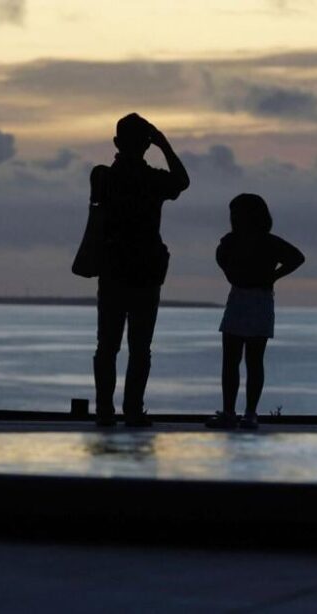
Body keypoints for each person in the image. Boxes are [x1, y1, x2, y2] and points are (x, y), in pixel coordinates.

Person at [92, 113, 189, 427]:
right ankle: (132, 409)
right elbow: (182, 181)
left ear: (117, 143)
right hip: (145, 270)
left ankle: (105, 409)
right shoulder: (152, 180)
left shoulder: (104, 177)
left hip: (114, 269)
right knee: (139, 347)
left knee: (108, 345)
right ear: (146, 145)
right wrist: (163, 144)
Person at [206, 193, 305, 430]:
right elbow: (225, 264)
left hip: (255, 298)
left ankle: (246, 413)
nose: (234, 217)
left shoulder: (263, 241)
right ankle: (235, 412)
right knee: (237, 359)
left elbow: (297, 258)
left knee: (248, 359)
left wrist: (273, 275)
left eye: (237, 213)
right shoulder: (237, 241)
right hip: (244, 297)